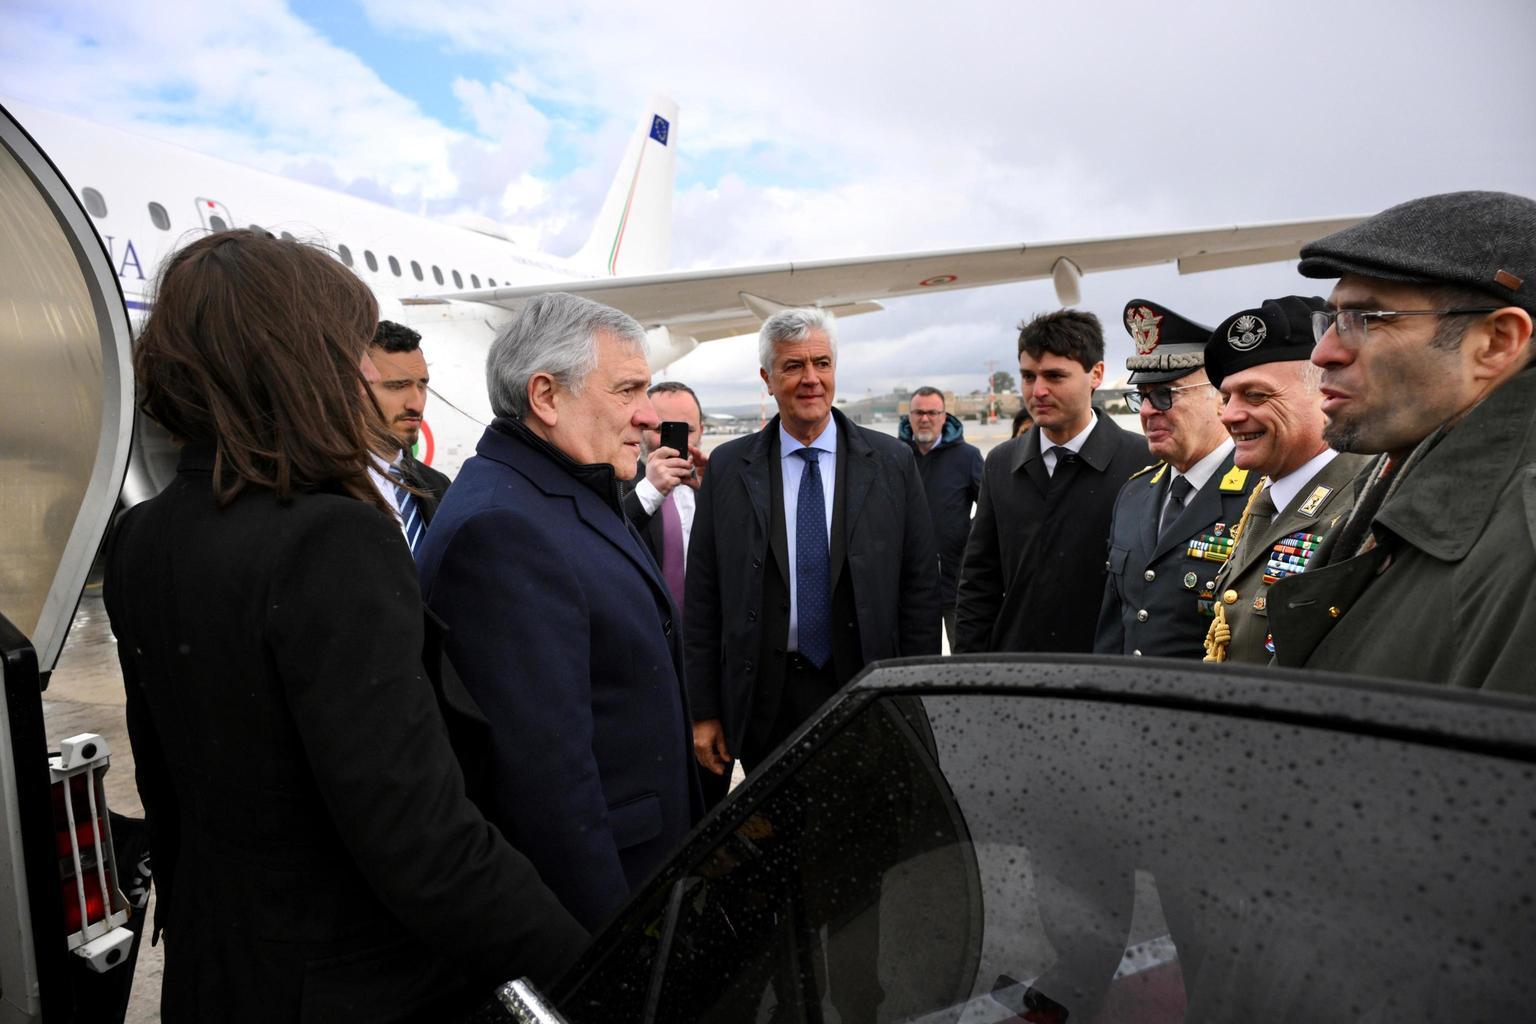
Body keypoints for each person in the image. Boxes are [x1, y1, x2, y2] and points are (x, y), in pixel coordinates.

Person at [102, 230, 586, 1023]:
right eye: (345, 348)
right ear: (297, 359)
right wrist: (595, 969)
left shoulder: (143, 533)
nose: (361, 372)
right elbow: (424, 844)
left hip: (219, 973)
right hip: (350, 987)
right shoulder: (331, 539)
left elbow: (168, 785)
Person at [416, 292, 698, 931]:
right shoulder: (503, 530)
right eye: (628, 390)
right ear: (545, 396)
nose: (649, 416)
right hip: (607, 907)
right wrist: (608, 955)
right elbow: (546, 789)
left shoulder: (566, 488)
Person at [1267, 191, 1536, 693]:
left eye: (1365, 320)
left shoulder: (1523, 541)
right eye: (1330, 320)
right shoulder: (1390, 483)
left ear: (1497, 342)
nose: (1323, 353)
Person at [685, 307, 940, 780]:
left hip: (866, 691)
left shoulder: (891, 463)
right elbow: (703, 597)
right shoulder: (728, 468)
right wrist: (704, 710)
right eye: (793, 366)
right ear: (767, 378)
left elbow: (920, 590)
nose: (811, 379)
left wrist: (916, 697)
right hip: (766, 701)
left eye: (821, 363)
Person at [955, 311, 1148, 653]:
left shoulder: (1143, 463)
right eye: (1028, 376)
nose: (1038, 391)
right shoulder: (1001, 464)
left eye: (1055, 376)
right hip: (1018, 675)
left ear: (1097, 374)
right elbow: (979, 585)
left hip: (1108, 677)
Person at [1199, 296, 1369, 664]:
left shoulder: (1363, 501)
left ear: (1326, 392)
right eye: (1226, 398)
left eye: (1256, 395)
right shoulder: (1265, 499)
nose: (1229, 415)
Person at [1096, 299, 1260, 658]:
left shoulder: (1260, 496)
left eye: (1164, 395)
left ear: (1219, 398)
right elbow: (1114, 627)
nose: (1147, 411)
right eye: (1140, 397)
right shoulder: (1135, 494)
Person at [898, 386, 983, 648]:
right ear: (909, 416)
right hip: (908, 586)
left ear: (944, 416)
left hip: (956, 582)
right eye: (919, 412)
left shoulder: (967, 457)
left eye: (932, 413)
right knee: (913, 659)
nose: (925, 419)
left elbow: (991, 509)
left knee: (965, 658)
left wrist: (968, 539)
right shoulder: (895, 456)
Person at [621, 380, 707, 612]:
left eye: (687, 430)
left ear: (702, 430)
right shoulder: (618, 482)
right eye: (661, 429)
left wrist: (715, 491)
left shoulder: (714, 482)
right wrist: (651, 490)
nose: (674, 441)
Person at [370, 319, 451, 502]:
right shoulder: (322, 491)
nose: (417, 404)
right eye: (398, 386)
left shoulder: (439, 486)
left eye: (422, 386)